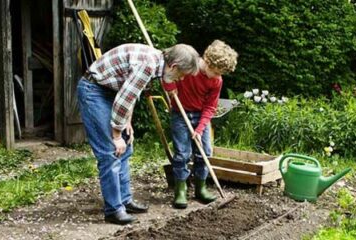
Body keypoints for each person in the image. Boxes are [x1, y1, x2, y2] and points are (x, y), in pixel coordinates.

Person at [77, 43, 199, 224]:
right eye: (181, 75)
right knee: (110, 151)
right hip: (94, 90)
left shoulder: (157, 62)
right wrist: (116, 136)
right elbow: (124, 98)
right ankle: (113, 210)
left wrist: (127, 122)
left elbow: (131, 95)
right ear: (174, 66)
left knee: (126, 148)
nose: (180, 80)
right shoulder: (148, 65)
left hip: (111, 92)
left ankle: (124, 200)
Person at [163, 40, 238, 209]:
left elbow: (211, 106)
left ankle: (200, 188)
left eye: (221, 73)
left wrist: (200, 128)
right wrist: (170, 87)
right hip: (180, 114)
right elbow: (167, 74)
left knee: (205, 152)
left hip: (200, 115)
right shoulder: (189, 66)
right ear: (207, 61)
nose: (217, 76)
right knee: (182, 153)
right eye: (215, 71)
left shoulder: (216, 81)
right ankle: (180, 191)